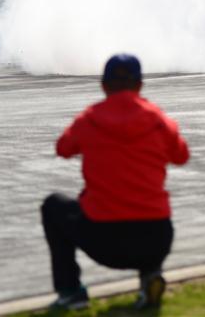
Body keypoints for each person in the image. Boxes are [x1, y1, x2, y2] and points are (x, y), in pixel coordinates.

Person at [41, 54, 189, 313]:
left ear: (104, 85)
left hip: (105, 241)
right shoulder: (158, 120)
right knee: (147, 209)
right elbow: (181, 155)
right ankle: (149, 277)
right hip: (156, 239)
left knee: (53, 206)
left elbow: (63, 148)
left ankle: (70, 291)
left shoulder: (89, 119)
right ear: (140, 85)